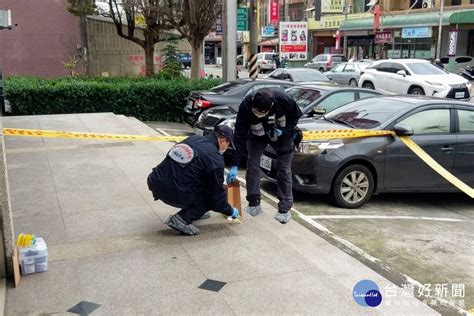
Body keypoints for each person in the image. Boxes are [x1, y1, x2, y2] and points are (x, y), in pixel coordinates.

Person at [226, 88, 302, 224]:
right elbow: (239, 135)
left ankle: (284, 209)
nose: (258, 113)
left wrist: (284, 131)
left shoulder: (285, 100)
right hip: (257, 135)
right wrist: (235, 164)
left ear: (270, 107)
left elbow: (295, 116)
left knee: (284, 170)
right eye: (256, 111)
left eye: (262, 112)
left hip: (282, 135)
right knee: (253, 164)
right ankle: (254, 202)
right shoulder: (246, 104)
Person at [147, 125, 239, 235]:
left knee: (203, 182)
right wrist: (230, 211)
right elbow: (216, 197)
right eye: (228, 145)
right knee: (213, 195)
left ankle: (196, 211)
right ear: (223, 140)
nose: (226, 148)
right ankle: (182, 219)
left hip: (155, 179)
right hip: (171, 189)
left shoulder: (193, 139)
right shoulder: (215, 159)